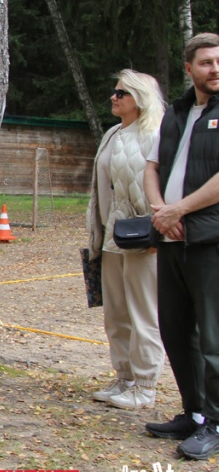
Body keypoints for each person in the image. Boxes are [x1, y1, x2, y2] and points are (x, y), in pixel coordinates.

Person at [144, 32, 219, 459]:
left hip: (209, 239)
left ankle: (216, 421)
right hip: (171, 237)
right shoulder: (175, 113)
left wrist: (180, 210)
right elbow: (152, 166)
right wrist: (160, 211)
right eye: (206, 62)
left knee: (213, 338)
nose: (215, 69)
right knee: (175, 329)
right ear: (189, 68)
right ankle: (194, 413)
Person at [85, 71, 165, 409]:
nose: (114, 97)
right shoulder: (112, 133)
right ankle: (125, 377)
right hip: (111, 235)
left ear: (140, 97)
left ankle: (145, 385)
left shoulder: (154, 135)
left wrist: (157, 232)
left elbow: (160, 187)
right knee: (116, 312)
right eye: (114, 91)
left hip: (143, 236)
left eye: (122, 93)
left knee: (143, 312)